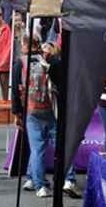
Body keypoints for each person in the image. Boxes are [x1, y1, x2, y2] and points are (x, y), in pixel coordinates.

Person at [18, 35, 79, 198]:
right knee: (62, 146)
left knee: (37, 150)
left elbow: (16, 91)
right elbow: (63, 84)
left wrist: (17, 112)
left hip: (32, 110)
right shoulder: (54, 63)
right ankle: (68, 179)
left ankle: (39, 185)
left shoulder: (22, 62)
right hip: (52, 110)